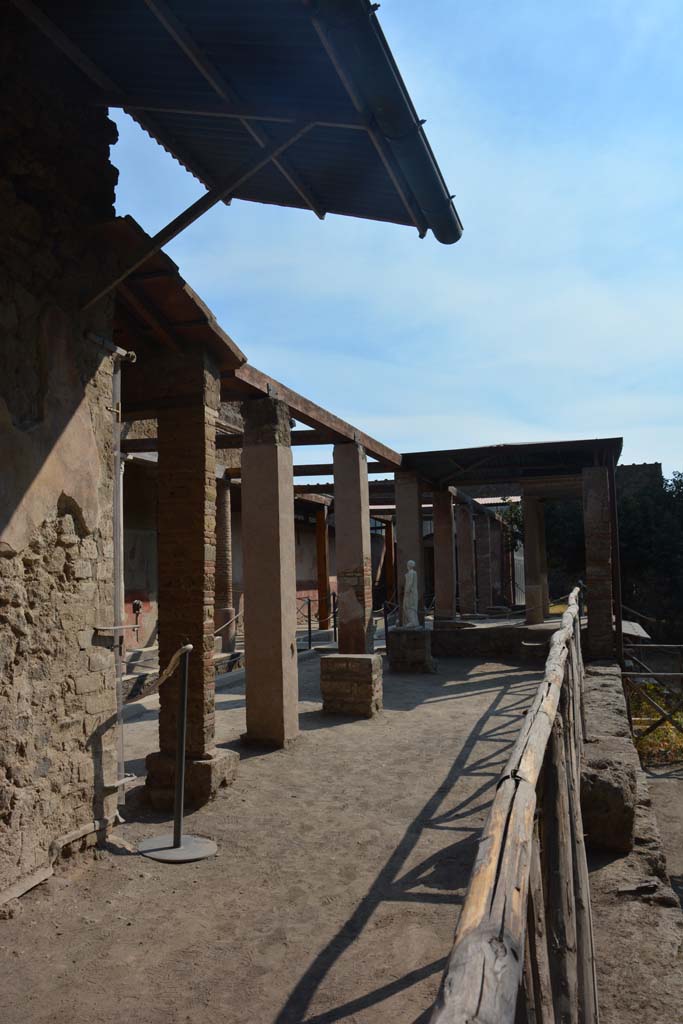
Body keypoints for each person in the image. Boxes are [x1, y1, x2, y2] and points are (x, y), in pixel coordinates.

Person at [403, 559, 420, 628]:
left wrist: (406, 592)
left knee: (409, 607)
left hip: (410, 594)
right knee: (411, 607)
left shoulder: (411, 573)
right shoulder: (413, 573)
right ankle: (414, 621)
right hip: (413, 593)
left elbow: (409, 584)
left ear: (408, 565)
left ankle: (413, 622)